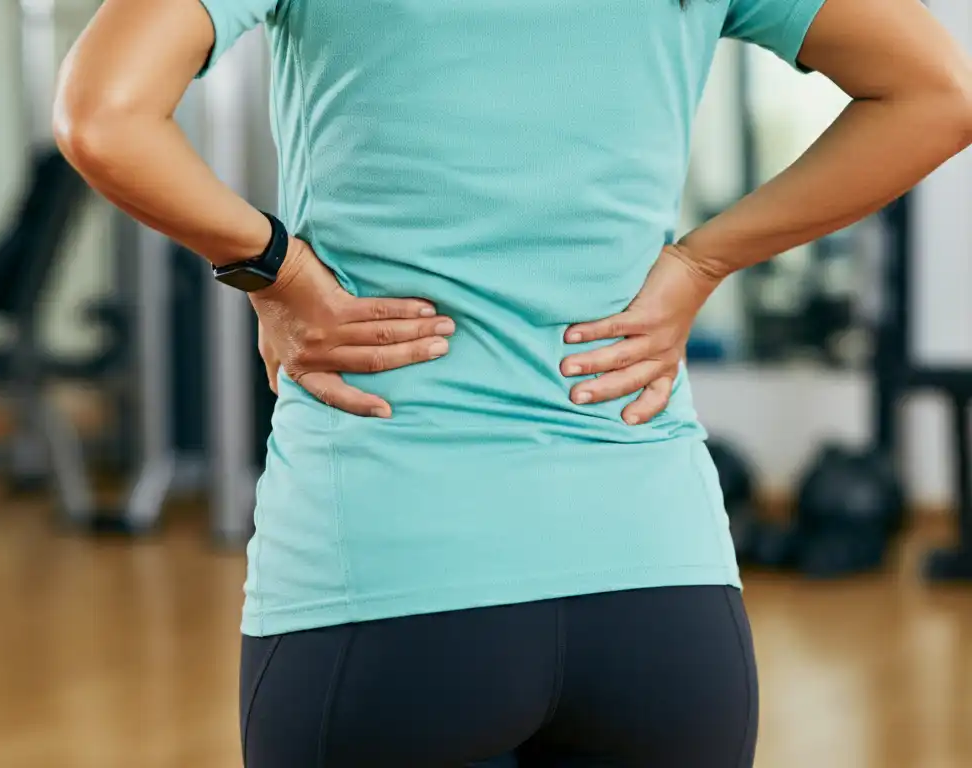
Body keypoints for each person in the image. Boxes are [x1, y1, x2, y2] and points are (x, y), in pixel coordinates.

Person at [54, 0, 972, 765]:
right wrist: (700, 264)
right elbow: (938, 92)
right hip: (663, 586)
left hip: (389, 577)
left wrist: (277, 273)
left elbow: (102, 115)